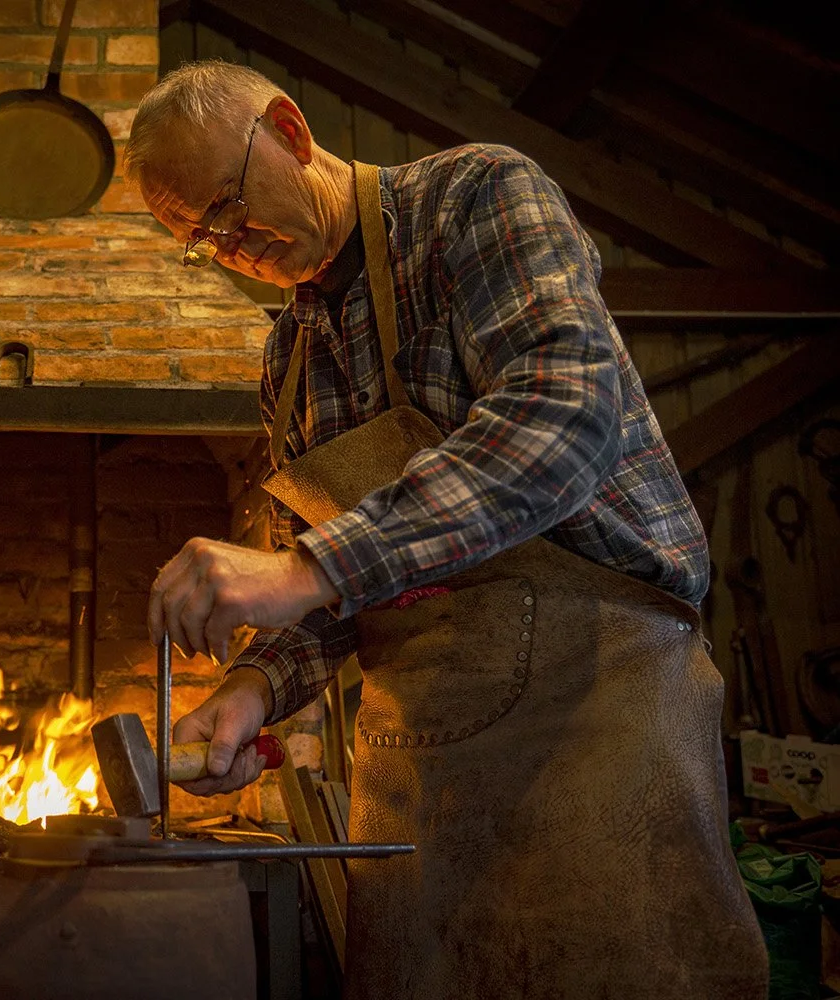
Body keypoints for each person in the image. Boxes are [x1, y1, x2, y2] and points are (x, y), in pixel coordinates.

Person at [127, 60, 767, 998]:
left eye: (225, 206)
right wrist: (256, 687)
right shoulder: (289, 359)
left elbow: (563, 417)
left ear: (291, 132)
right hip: (418, 758)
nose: (226, 245)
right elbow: (350, 581)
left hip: (594, 708)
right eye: (196, 239)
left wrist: (303, 566)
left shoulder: (474, 198)